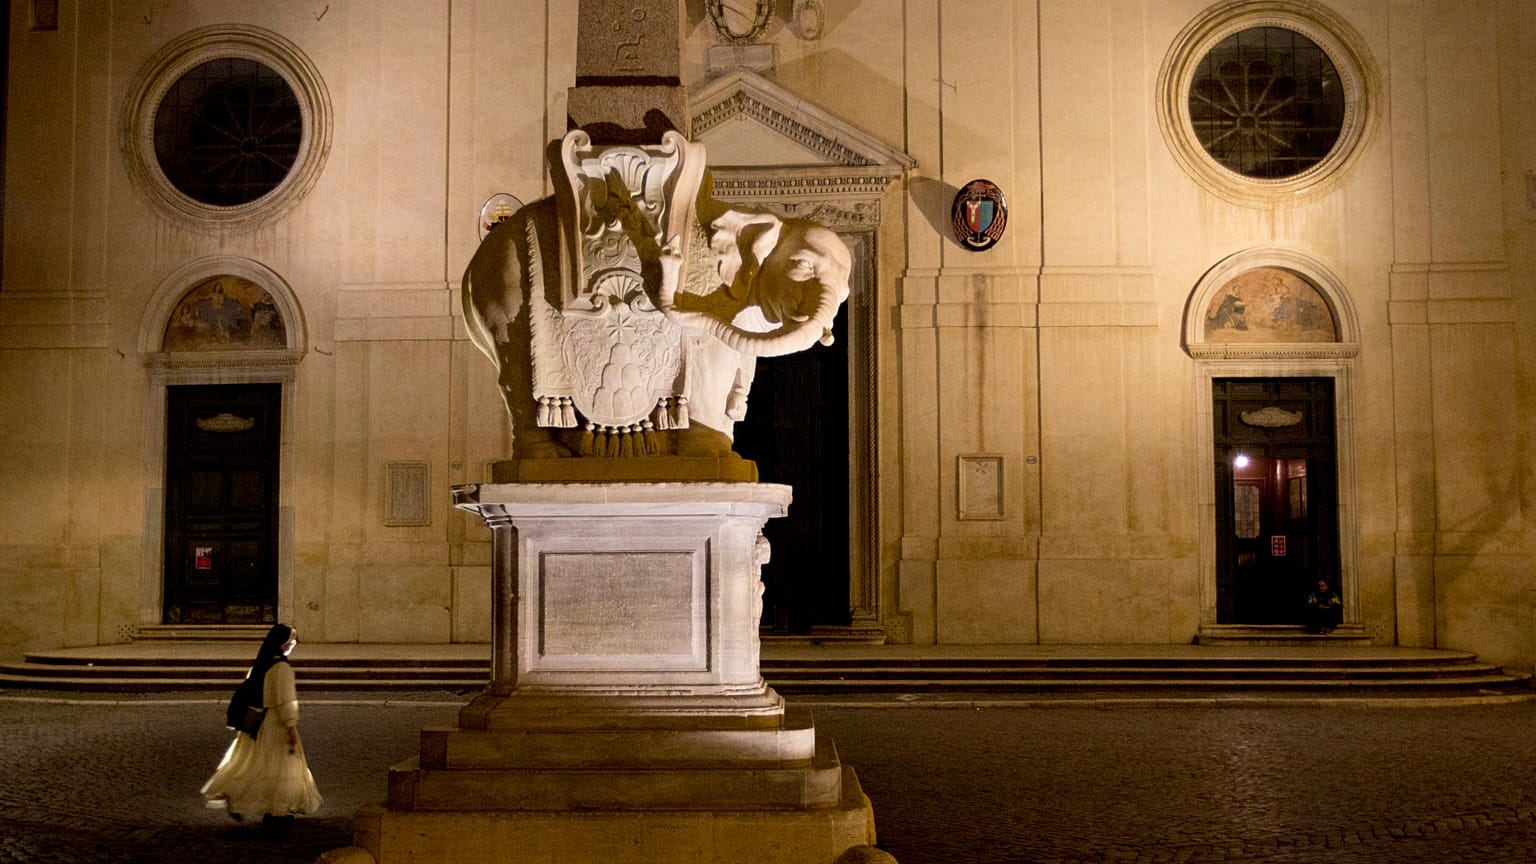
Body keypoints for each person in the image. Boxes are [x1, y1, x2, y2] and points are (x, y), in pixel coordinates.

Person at [201, 624, 323, 829]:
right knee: (279, 768)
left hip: (257, 724)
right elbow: (286, 701)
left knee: (255, 764)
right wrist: (291, 727)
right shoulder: (282, 668)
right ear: (282, 644)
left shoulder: (261, 665)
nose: (293, 644)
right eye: (291, 640)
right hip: (275, 725)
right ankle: (277, 811)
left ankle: (251, 801)